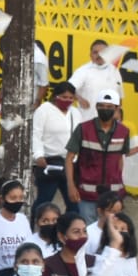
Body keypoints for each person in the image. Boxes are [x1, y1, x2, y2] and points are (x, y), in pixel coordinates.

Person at [64, 90, 138, 222]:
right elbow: (69, 158)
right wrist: (70, 185)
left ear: (117, 108)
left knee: (110, 233)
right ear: (96, 106)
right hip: (87, 194)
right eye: (102, 106)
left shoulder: (123, 132)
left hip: (113, 196)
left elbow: (121, 158)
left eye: (109, 107)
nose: (105, 109)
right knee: (89, 233)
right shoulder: (83, 129)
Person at [31, 81, 79, 211]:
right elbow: (36, 134)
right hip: (49, 162)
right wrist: (38, 155)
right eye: (64, 97)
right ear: (56, 96)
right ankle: (31, 226)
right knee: (44, 200)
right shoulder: (44, 110)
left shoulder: (75, 113)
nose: (67, 100)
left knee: (73, 202)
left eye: (70, 98)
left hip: (70, 163)